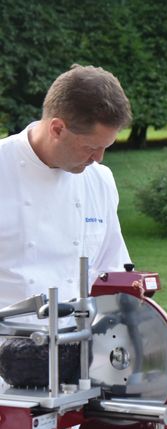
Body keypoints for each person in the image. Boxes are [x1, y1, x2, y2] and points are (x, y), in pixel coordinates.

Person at [0, 64, 132, 323]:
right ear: (57, 128)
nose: (98, 158)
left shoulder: (100, 180)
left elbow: (113, 270)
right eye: (91, 147)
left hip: (78, 345)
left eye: (106, 147)